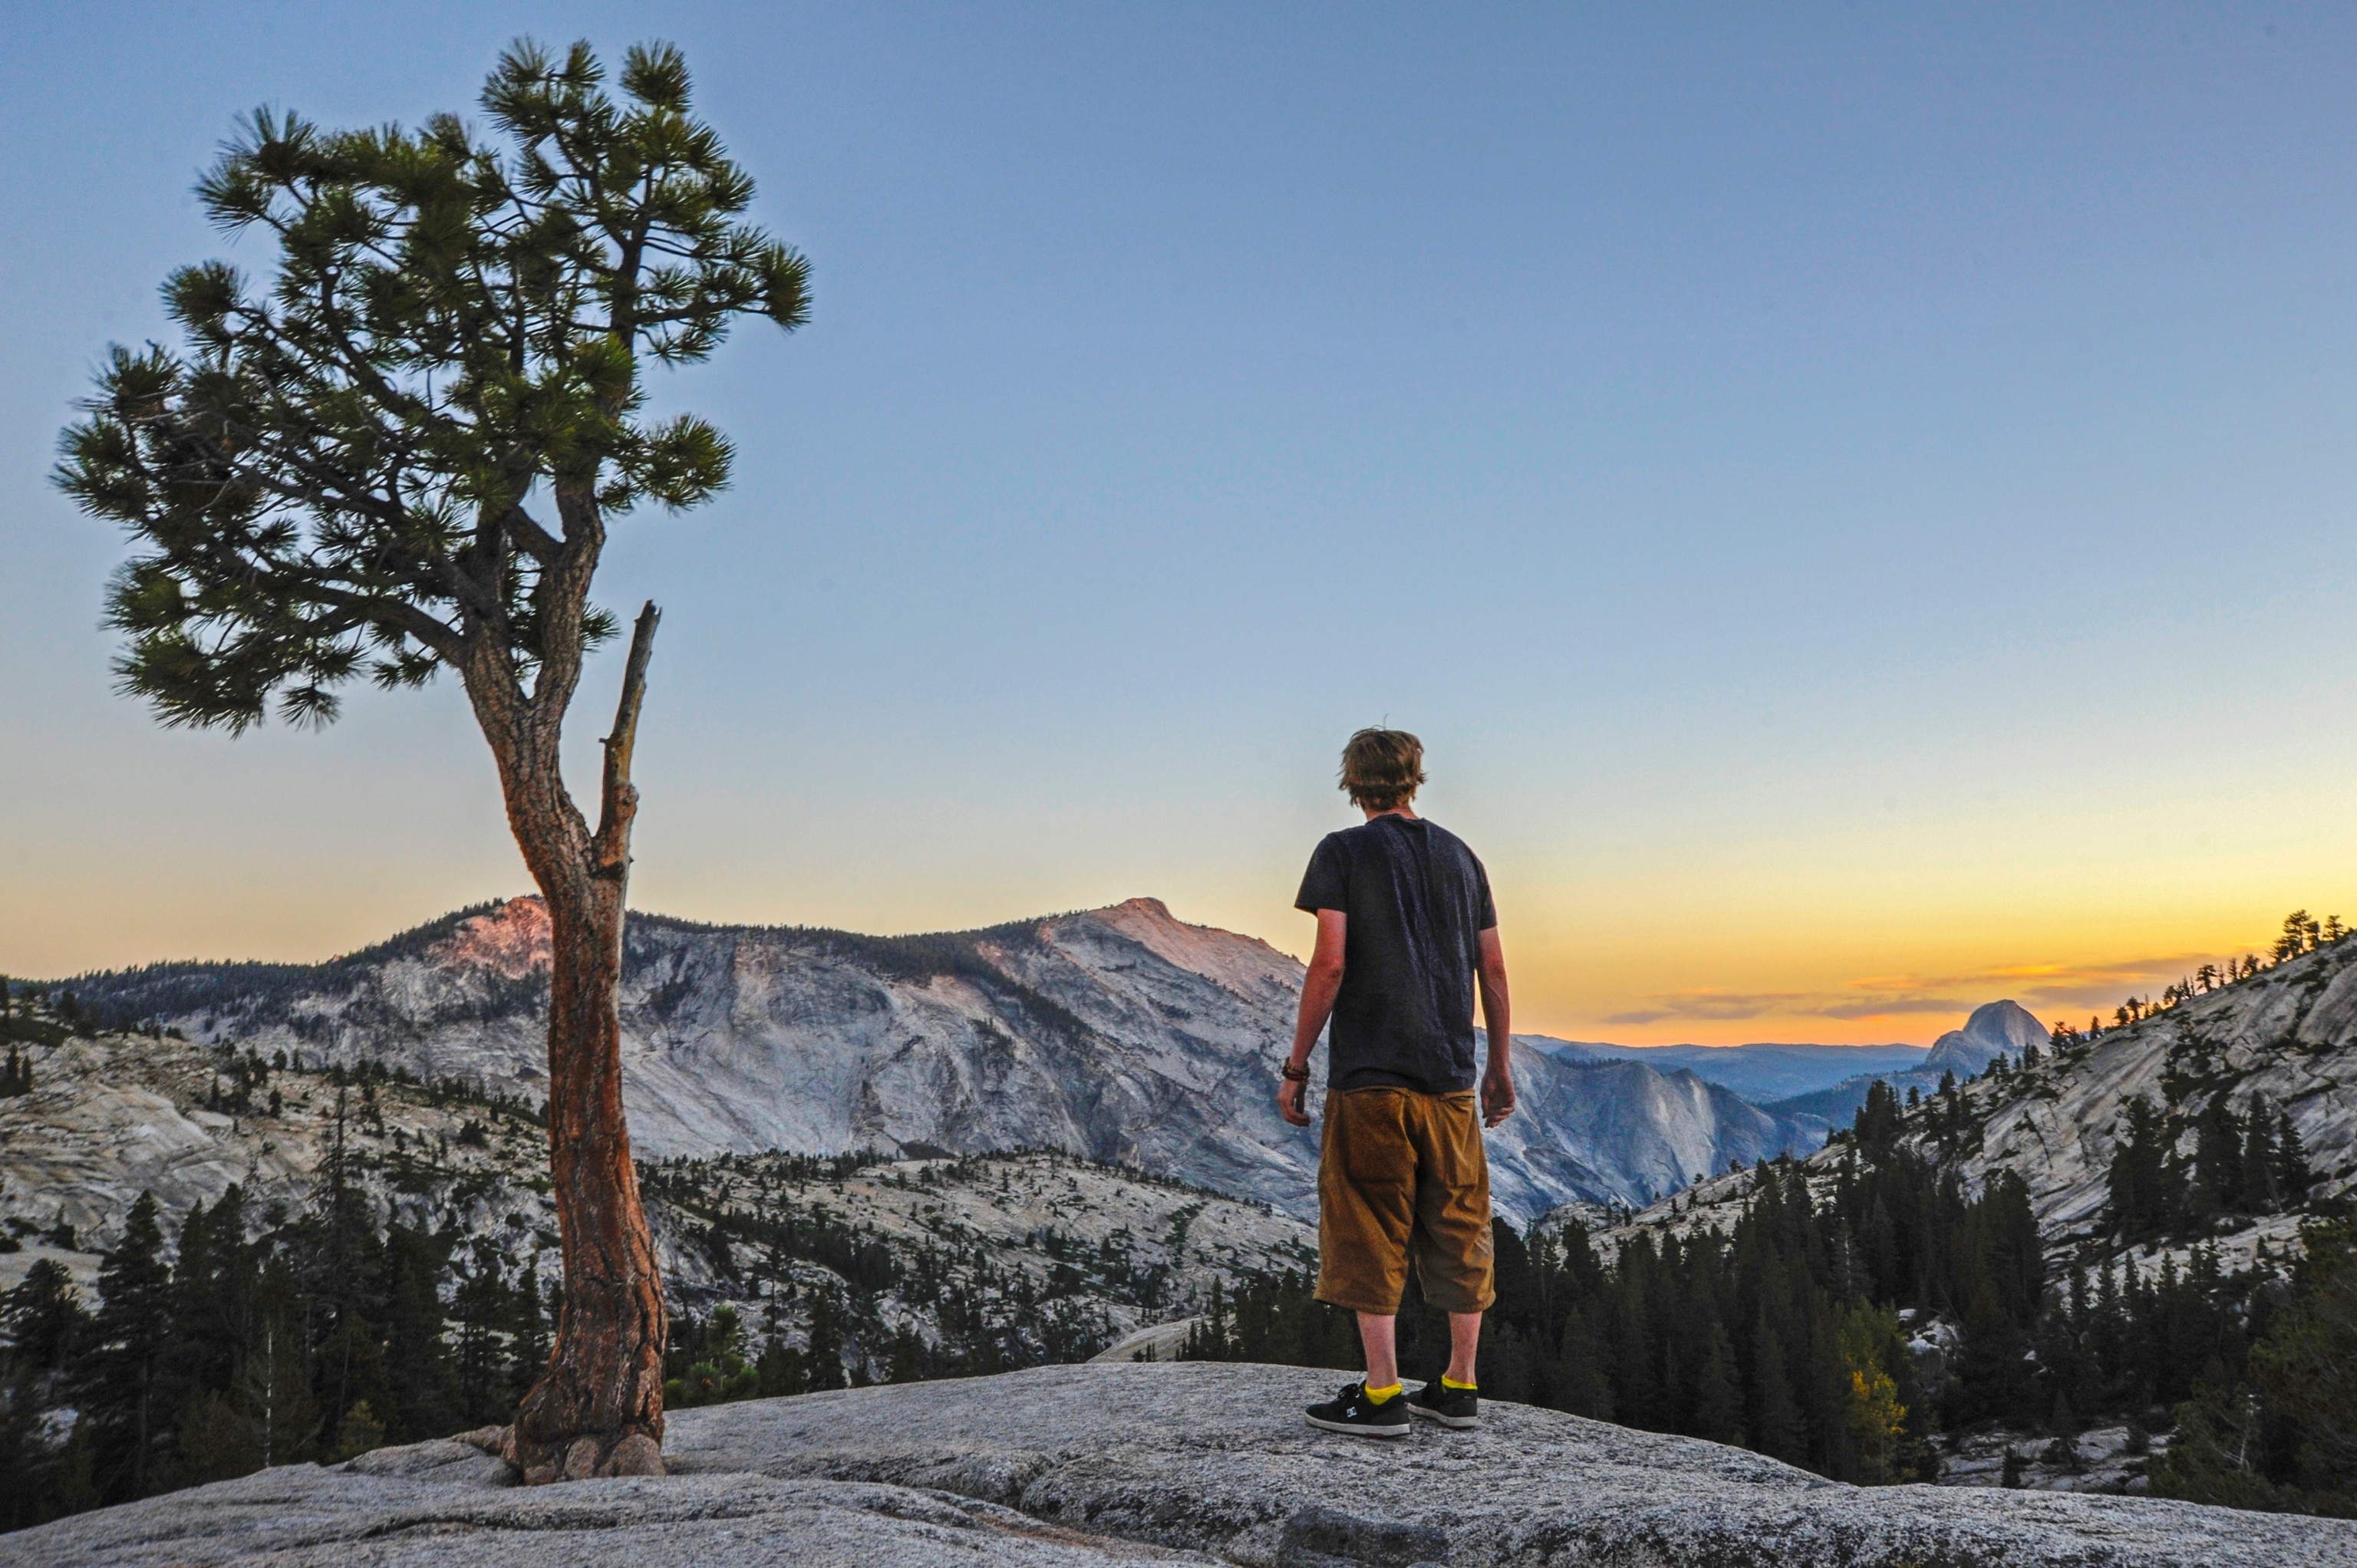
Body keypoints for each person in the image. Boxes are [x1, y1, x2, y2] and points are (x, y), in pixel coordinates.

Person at [1277, 727, 1515, 1438]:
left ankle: (1382, 1396)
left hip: (1372, 1079)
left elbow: (1329, 966)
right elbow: (1493, 971)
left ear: (1353, 782)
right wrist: (1498, 1067)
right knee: (1460, 1225)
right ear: (1416, 778)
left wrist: (1297, 1067)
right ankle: (1459, 1387)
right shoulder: (1462, 857)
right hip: (1450, 1080)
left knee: (1367, 1223)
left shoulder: (1342, 852)